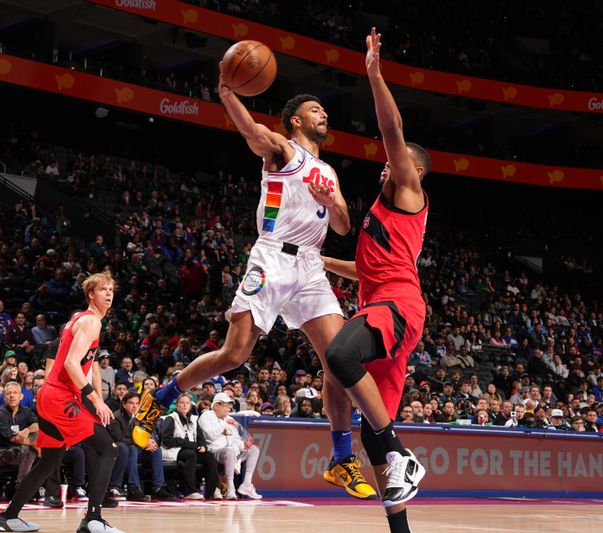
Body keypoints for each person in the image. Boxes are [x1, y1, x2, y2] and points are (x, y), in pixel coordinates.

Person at [134, 62, 376, 500]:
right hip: (272, 257)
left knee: (339, 361)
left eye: (326, 111)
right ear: (297, 120)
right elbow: (251, 132)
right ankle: (162, 395)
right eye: (316, 110)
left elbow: (342, 226)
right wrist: (228, 93)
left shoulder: (331, 173)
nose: (325, 115)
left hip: (310, 267)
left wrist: (332, 202)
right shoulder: (283, 149)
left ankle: (341, 459)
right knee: (234, 354)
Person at [320, 28, 430, 532]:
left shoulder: (407, 189)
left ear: (412, 169)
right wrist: (319, 262)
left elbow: (393, 130)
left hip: (398, 306)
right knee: (371, 434)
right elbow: (363, 270)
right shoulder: (381, 218)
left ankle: (403, 454)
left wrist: (374, 73)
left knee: (339, 355)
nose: (388, 164)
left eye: (398, 160)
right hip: (385, 302)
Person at [0, 272, 123, 533]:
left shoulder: (75, 320)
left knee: (51, 460)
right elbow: (71, 364)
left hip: (51, 396)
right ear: (90, 294)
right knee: (108, 449)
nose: (108, 294)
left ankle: (8, 516)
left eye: (111, 289)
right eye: (102, 289)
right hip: (61, 396)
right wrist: (95, 397)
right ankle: (93, 519)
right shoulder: (90, 322)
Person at [198, 392, 260, 500]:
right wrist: (224, 423)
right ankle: (231, 489)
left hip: (234, 455)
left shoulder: (230, 420)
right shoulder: (207, 415)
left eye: (229, 406)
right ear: (216, 405)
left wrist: (243, 446)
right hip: (215, 452)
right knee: (230, 450)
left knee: (253, 450)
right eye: (226, 405)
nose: (229, 409)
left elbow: (236, 440)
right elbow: (210, 435)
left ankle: (246, 484)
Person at [160, 393, 219, 500]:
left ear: (190, 405)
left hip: (192, 448)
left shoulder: (194, 419)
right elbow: (166, 440)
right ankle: (189, 491)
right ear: (177, 404)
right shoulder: (171, 418)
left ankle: (212, 490)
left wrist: (203, 446)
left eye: (187, 403)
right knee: (191, 455)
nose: (185, 405)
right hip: (175, 450)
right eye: (182, 403)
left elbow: (201, 438)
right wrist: (185, 443)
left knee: (209, 456)